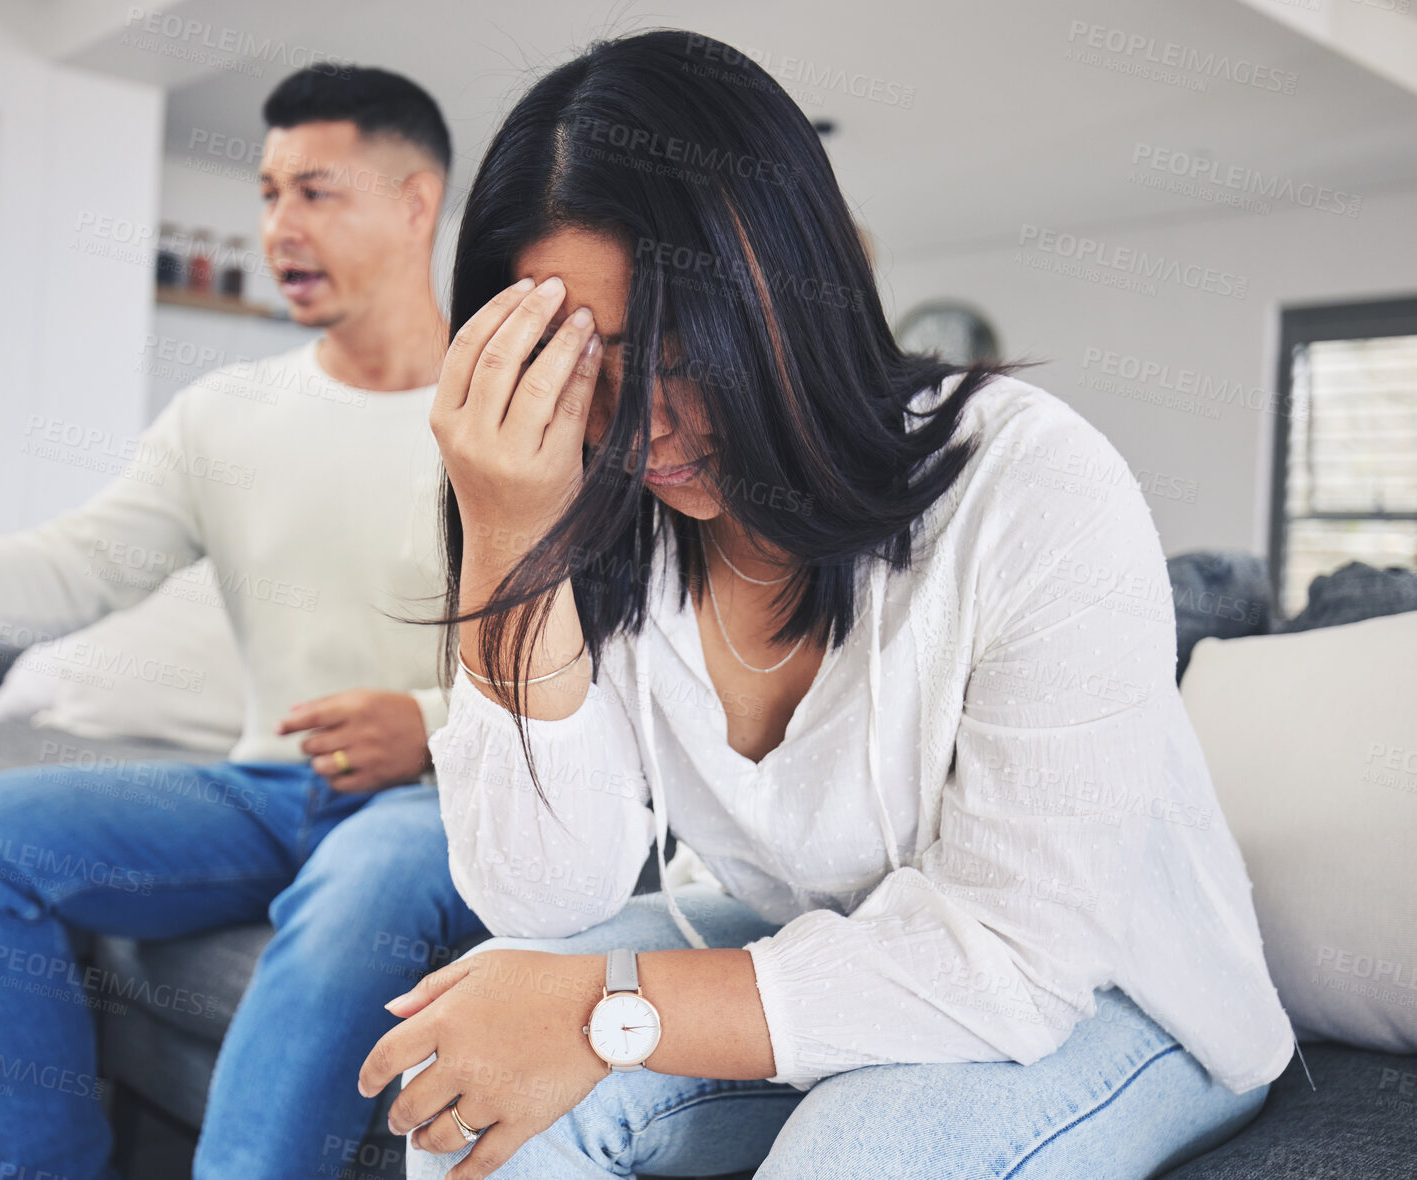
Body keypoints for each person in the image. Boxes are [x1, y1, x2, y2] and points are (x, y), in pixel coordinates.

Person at [352, 29, 1297, 1180]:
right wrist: (510, 545)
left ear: (790, 296)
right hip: (841, 952)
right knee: (470, 1093)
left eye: (681, 348)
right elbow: (541, 895)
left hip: (1116, 993)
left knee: (855, 1157)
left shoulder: (1036, 485)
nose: (634, 424)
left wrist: (605, 1009)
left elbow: (1012, 962)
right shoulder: (599, 508)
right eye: (580, 362)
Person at [0, 66, 487, 1180]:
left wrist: (428, 724)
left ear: (416, 203)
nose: (279, 226)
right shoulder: (225, 414)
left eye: (315, 192)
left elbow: (600, 657)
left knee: (360, 881)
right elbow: (77, 569)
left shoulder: (505, 405)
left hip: (441, 806)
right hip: (269, 786)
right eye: (267, 194)